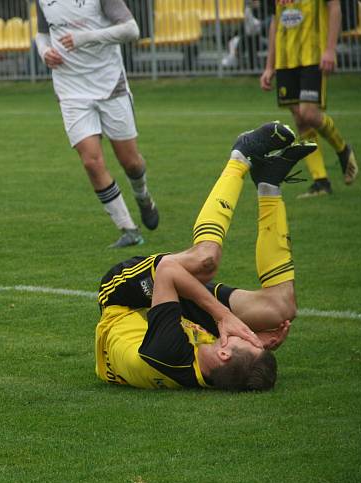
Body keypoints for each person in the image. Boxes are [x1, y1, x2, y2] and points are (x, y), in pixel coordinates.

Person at [95, 122, 316, 391]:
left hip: (124, 301)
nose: (245, 332)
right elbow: (237, 368)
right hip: (167, 314)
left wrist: (224, 317)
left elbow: (167, 271)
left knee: (205, 261)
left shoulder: (167, 353)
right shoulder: (212, 371)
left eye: (245, 339)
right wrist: (256, 338)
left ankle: (240, 156)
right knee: (281, 309)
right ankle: (269, 184)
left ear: (223, 352)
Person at [34, 0, 158, 248]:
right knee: (91, 161)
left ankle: (143, 196)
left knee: (130, 162)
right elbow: (42, 33)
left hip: (110, 84)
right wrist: (44, 51)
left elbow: (131, 30)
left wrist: (85, 38)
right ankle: (128, 229)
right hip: (70, 89)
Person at [260, 0, 358, 198]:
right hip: (286, 59)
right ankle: (320, 182)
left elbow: (335, 6)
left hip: (313, 55)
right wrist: (270, 65)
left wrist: (330, 49)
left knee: (309, 113)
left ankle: (343, 149)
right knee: (300, 118)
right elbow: (275, 21)